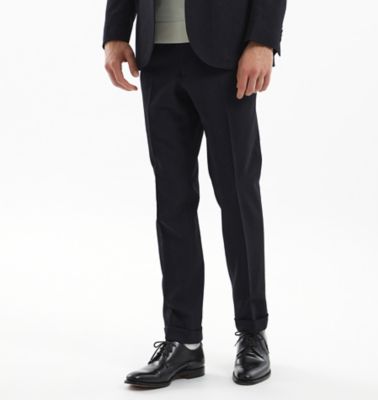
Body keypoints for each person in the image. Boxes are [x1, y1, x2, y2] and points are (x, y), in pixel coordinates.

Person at [102, 0, 286, 388]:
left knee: (237, 195)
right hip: (157, 55)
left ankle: (252, 332)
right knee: (172, 202)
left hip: (227, 53)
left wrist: (263, 40)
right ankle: (183, 339)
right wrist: (116, 32)